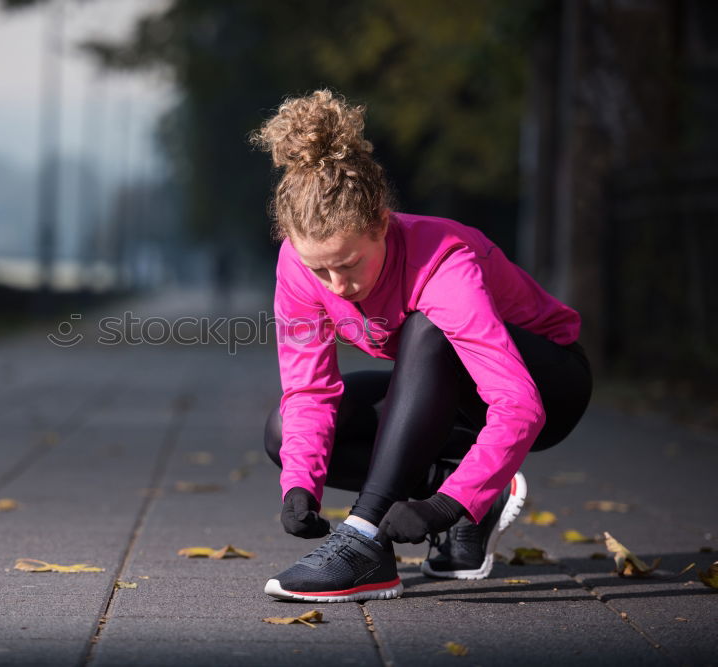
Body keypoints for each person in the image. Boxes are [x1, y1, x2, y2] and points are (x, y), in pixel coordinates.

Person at [252, 90, 592, 602]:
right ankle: (480, 495)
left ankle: (363, 539)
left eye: (348, 264)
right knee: (283, 433)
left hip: (548, 381)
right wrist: (300, 483)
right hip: (452, 392)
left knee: (426, 326)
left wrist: (446, 506)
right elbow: (307, 391)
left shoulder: (444, 263)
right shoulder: (299, 268)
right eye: (320, 269)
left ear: (381, 225)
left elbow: (519, 405)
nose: (336, 285)